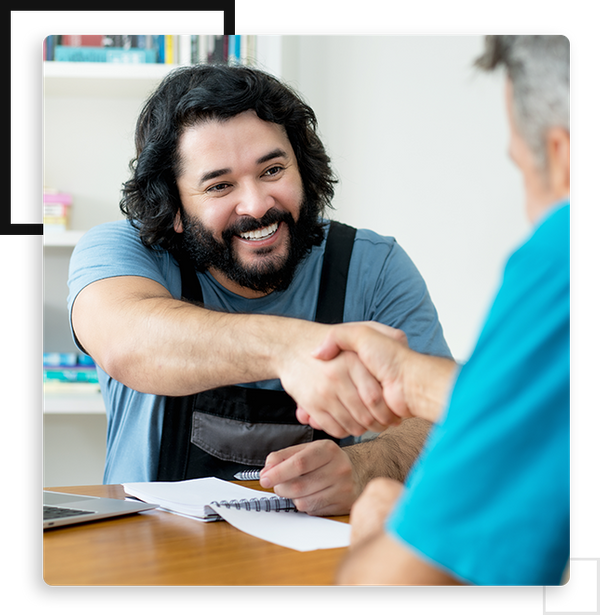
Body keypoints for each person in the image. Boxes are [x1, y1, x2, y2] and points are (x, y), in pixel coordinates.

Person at [67, 63, 451, 515]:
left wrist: (366, 465)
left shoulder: (372, 265)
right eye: (220, 185)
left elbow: (441, 418)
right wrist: (292, 351)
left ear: (302, 170)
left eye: (271, 170)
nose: (256, 205)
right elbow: (126, 340)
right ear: (174, 207)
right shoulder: (123, 252)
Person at [311, 35, 570, 584]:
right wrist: (411, 377)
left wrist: (382, 523)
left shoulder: (560, 259)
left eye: (520, 167)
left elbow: (395, 579)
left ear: (560, 155)